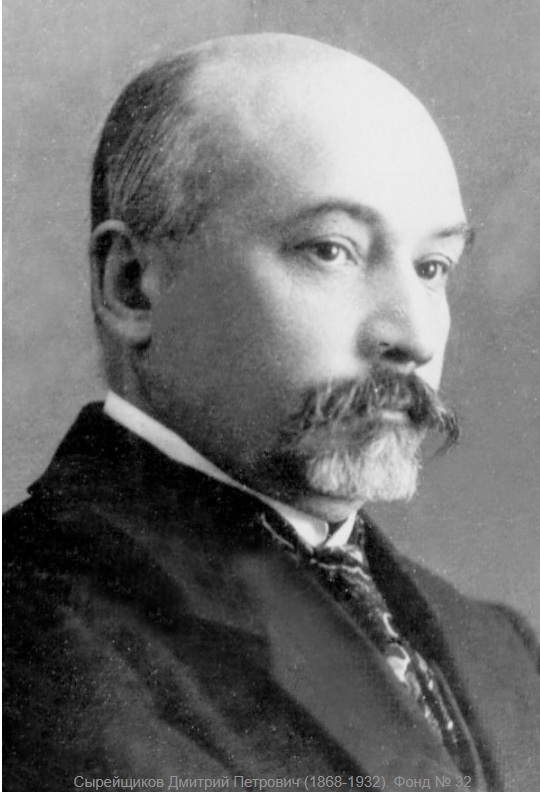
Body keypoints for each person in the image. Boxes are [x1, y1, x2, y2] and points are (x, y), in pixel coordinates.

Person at [3, 33, 539, 792]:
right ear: (132, 284)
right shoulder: (30, 625)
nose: (414, 335)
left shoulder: (504, 653)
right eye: (331, 250)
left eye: (432, 267)